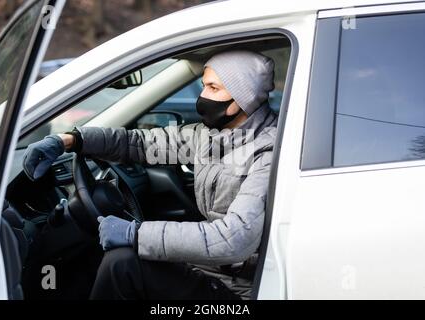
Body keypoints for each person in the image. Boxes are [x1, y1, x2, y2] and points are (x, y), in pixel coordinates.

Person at [23, 50, 278, 300]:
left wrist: (136, 234)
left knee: (122, 264)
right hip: (208, 267)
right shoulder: (212, 136)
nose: (202, 97)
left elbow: (232, 240)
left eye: (213, 88)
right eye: (203, 86)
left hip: (240, 290)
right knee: (114, 261)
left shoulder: (267, 151)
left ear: (243, 96)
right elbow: (139, 144)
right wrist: (70, 140)